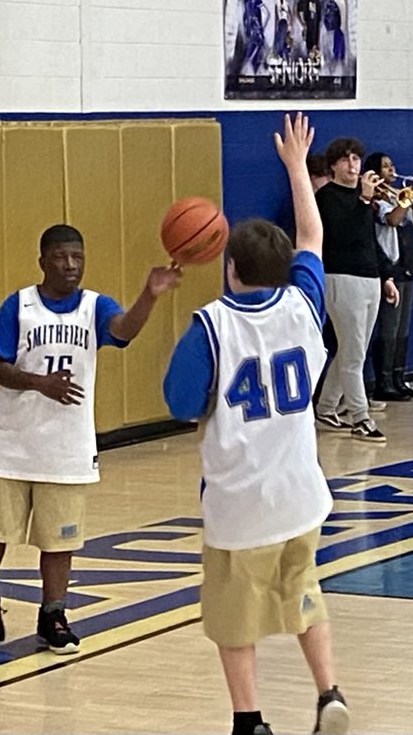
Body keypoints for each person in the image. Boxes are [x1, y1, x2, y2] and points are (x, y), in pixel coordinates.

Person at [163, 112, 351, 735]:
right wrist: (300, 167)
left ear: (230, 269)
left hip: (240, 504)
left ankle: (250, 720)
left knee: (233, 620)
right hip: (301, 496)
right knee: (304, 597)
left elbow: (180, 403)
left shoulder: (210, 326)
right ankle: (329, 694)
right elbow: (312, 237)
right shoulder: (303, 303)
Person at [0, 225, 180, 654]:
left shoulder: (94, 306)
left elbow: (123, 331)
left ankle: (53, 614)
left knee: (59, 539)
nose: (70, 265)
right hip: (14, 442)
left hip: (68, 446)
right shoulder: (19, 305)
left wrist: (150, 295)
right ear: (42, 260)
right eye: (62, 257)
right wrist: (38, 382)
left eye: (77, 258)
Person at [314, 137, 398, 443]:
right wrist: (363, 201)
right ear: (334, 165)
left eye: (356, 160)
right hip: (341, 277)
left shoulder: (365, 199)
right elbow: (343, 234)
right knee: (352, 353)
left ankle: (325, 406)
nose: (353, 165)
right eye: (346, 160)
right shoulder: (327, 197)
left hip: (369, 278)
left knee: (355, 349)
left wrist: (386, 276)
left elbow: (369, 240)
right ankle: (360, 416)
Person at [363, 153, 413, 402]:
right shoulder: (377, 201)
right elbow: (392, 219)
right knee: (389, 326)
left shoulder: (397, 195)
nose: (392, 170)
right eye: (386, 166)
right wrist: (411, 191)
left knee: (403, 326)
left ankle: (399, 376)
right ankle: (384, 381)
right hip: (390, 266)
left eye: (392, 165)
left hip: (408, 264)